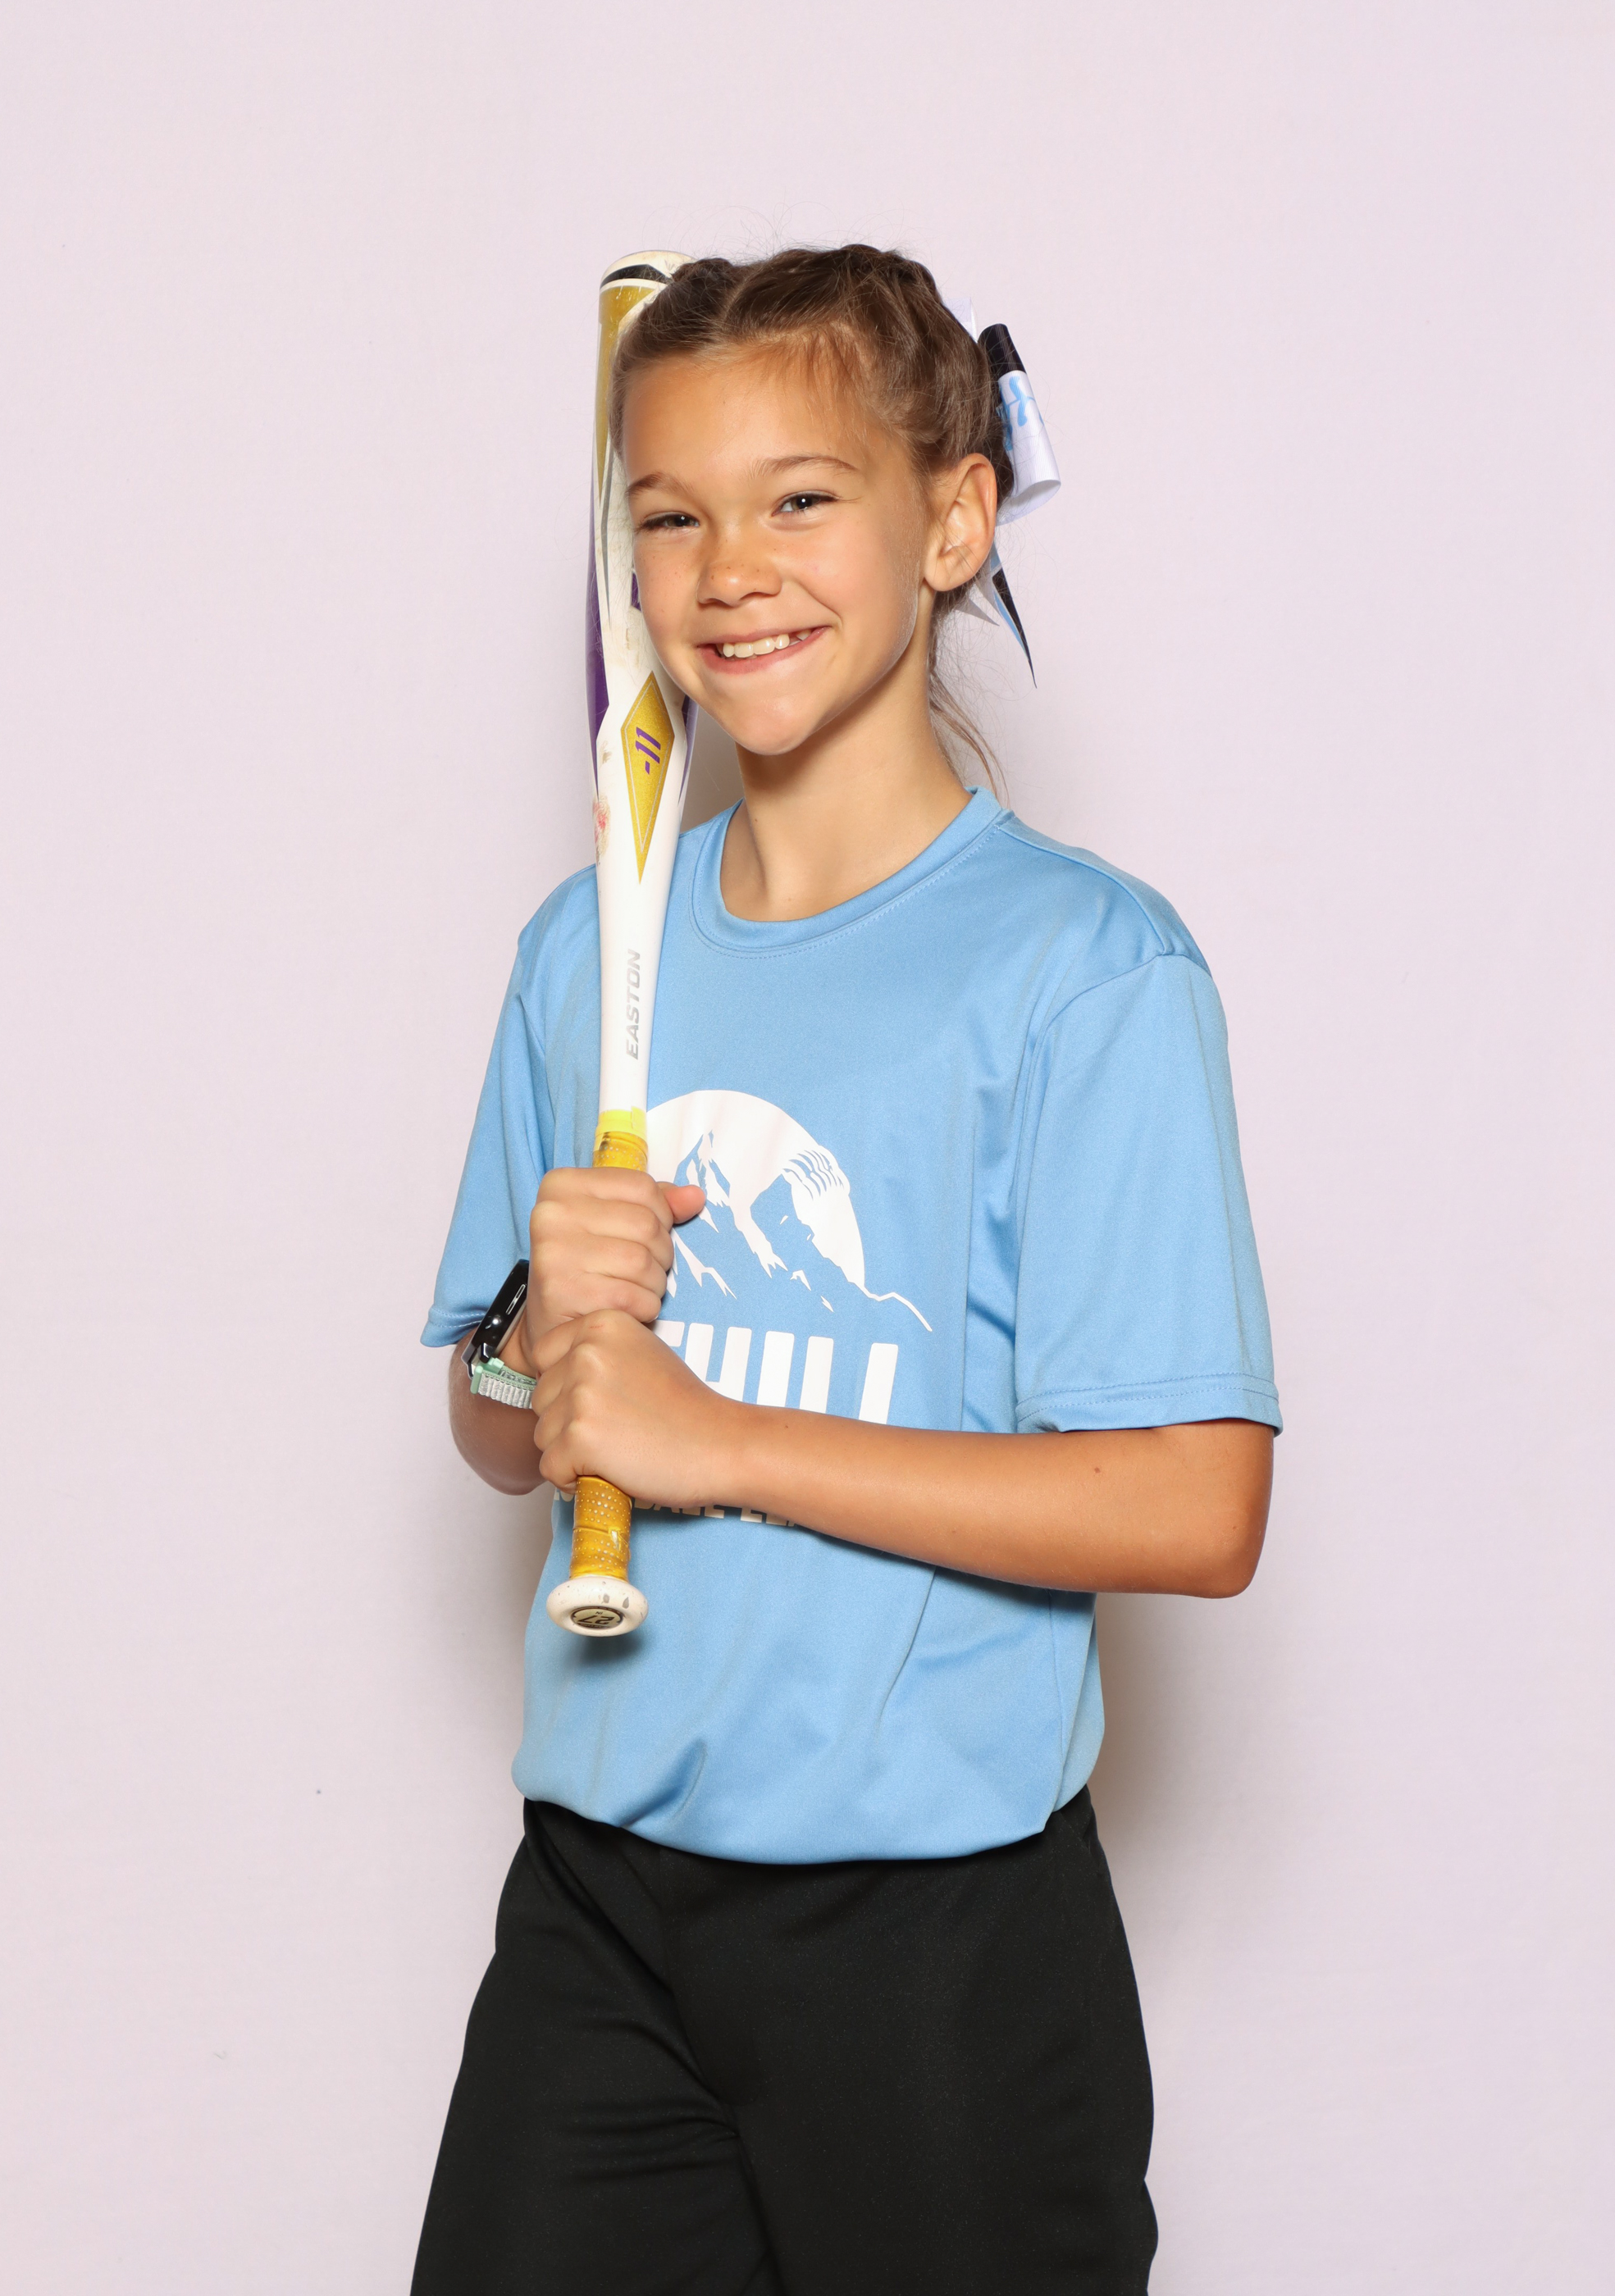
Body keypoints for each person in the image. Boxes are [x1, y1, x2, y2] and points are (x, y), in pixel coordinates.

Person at [411, 244, 1280, 2296]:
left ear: (952, 519)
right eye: (669, 514)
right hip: (601, 1905)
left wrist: (718, 1439)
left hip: (940, 1941)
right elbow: (498, 1426)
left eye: (799, 497)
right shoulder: (590, 947)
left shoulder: (1085, 970)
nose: (730, 569)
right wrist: (534, 1338)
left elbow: (1196, 1503)